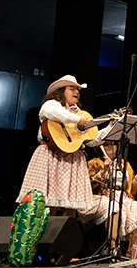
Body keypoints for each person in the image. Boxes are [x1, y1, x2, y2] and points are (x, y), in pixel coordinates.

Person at [17, 75, 103, 215]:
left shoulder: (78, 114)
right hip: (52, 155)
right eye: (72, 88)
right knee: (47, 204)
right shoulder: (52, 104)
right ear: (60, 91)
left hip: (73, 159)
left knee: (70, 206)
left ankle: (66, 235)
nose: (76, 92)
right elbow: (54, 113)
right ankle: (46, 235)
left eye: (78, 90)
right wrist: (77, 119)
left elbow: (91, 139)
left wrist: (110, 128)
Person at [81, 138, 137, 248]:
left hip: (123, 197)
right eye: (106, 144)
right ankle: (113, 248)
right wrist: (104, 171)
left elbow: (131, 190)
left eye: (112, 144)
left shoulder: (124, 165)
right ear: (100, 148)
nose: (109, 146)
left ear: (117, 147)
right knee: (114, 207)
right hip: (103, 196)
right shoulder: (94, 163)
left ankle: (133, 251)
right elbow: (87, 185)